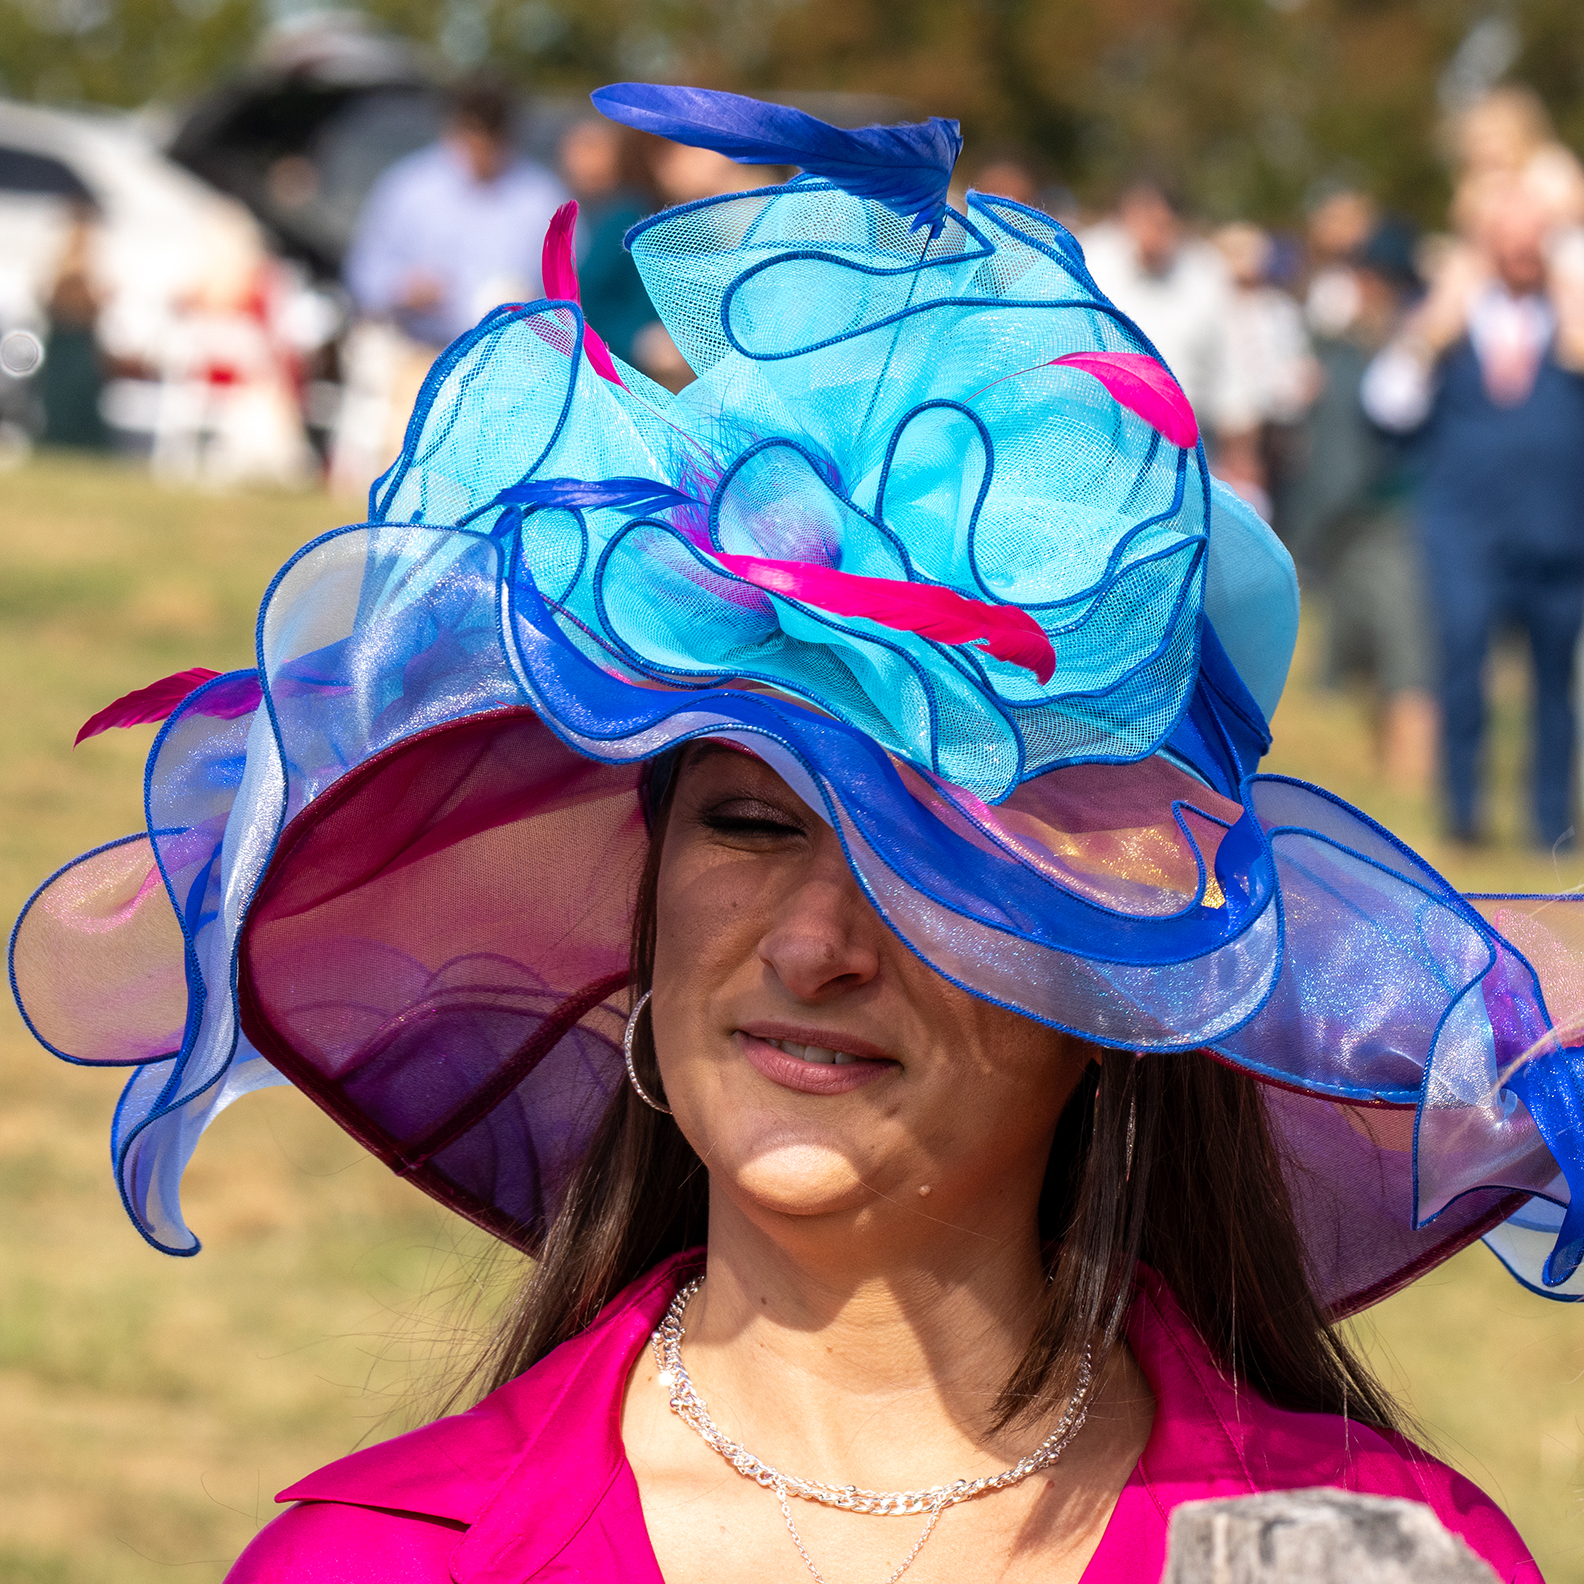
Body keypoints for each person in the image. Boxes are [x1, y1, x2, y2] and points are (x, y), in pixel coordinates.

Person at [13, 86, 1573, 1584]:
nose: (817, 943)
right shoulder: (376, 1569)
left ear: (1122, 982)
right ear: (646, 909)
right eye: (752, 826)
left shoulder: (1366, 1557)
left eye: (935, 864)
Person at [1363, 179, 1584, 847]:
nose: (1520, 250)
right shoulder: (1451, 319)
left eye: (1532, 237)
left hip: (1559, 530)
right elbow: (1387, 406)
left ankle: (1551, 824)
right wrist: (1431, 333)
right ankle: (1463, 816)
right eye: (1507, 237)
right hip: (1466, 528)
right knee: (1462, 660)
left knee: (1554, 682)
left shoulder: (1569, 317)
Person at [1288, 220, 1439, 794]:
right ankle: (1378, 780)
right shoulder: (1334, 347)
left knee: (1408, 656)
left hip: (1395, 518)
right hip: (1340, 522)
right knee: (1356, 665)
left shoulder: (1411, 347)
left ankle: (1413, 788)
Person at [1080, 178, 1261, 500]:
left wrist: (1242, 458)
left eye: (1162, 221)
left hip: (1181, 460)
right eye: (1143, 217)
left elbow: (1233, 377)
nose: (1153, 233)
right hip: (1098, 447)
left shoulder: (1205, 274)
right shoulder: (1091, 261)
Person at [557, 116, 659, 367]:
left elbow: (584, 302)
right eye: (573, 149)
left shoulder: (627, 215)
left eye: (591, 149)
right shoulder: (593, 212)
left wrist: (636, 340)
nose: (578, 161)